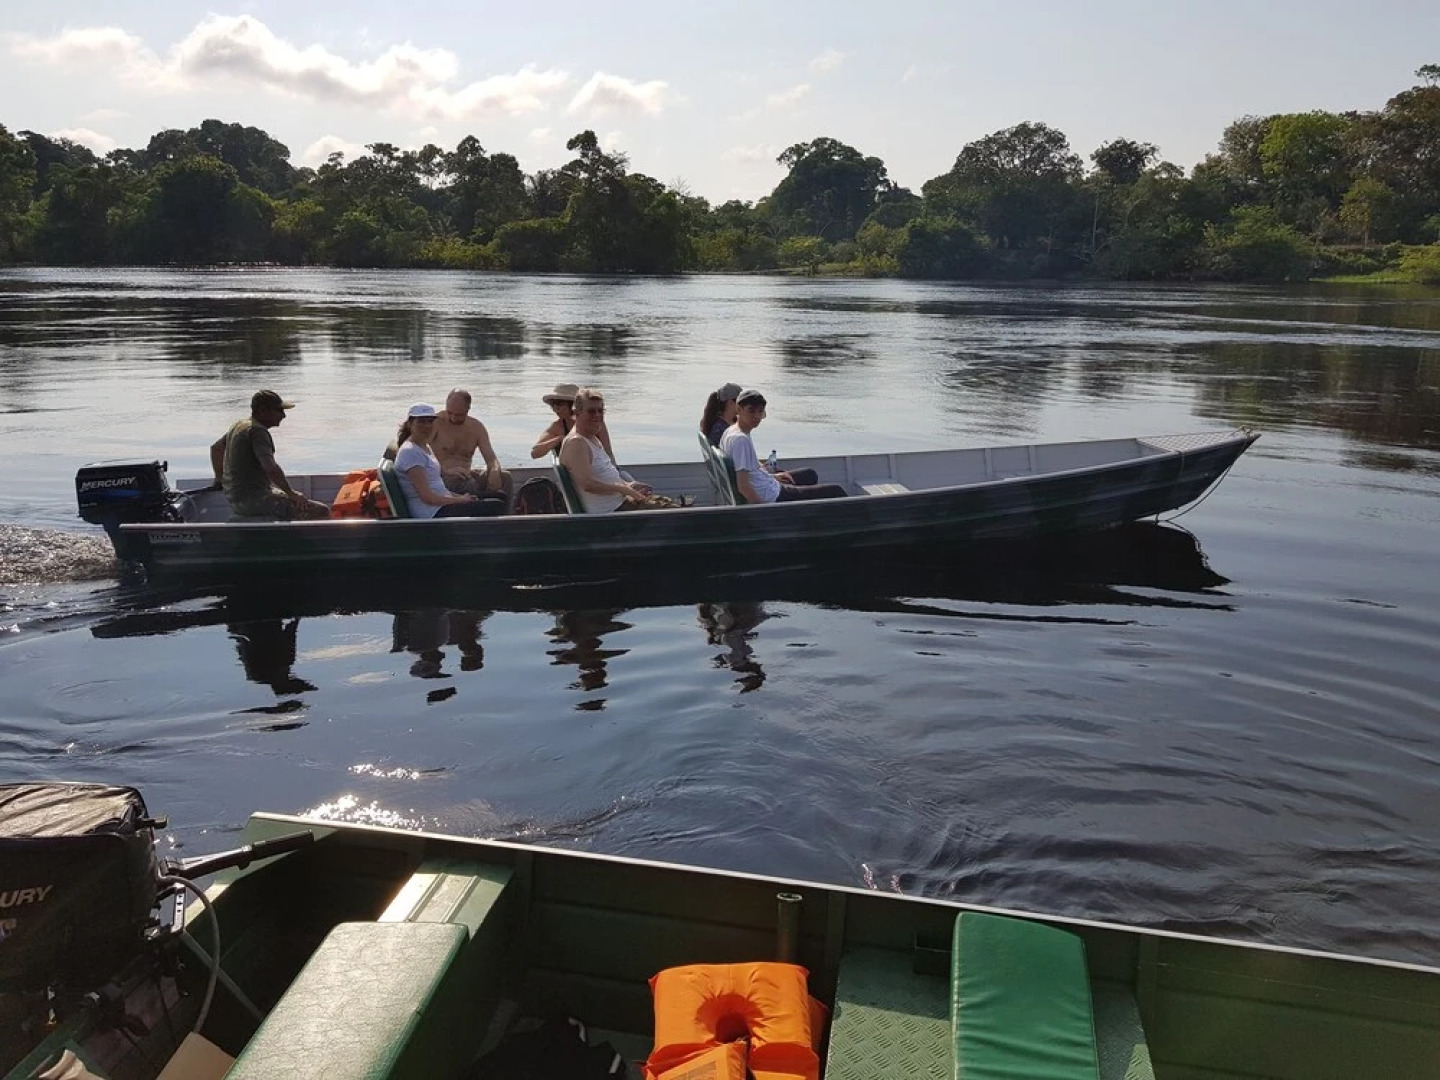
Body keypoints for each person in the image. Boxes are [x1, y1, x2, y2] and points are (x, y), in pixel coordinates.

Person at [209, 389, 330, 520]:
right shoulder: (258, 431)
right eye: (278, 410)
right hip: (254, 501)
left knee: (291, 500)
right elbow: (270, 468)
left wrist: (219, 479)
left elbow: (216, 449)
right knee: (321, 511)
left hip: (235, 498)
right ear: (262, 410)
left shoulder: (239, 426)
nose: (283, 415)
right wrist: (291, 493)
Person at [720, 390, 848, 503]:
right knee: (836, 491)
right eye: (751, 411)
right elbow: (744, 487)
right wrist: (760, 512)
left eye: (760, 411)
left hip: (768, 485)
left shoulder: (731, 431)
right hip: (773, 495)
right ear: (739, 409)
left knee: (809, 474)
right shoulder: (741, 440)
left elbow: (751, 472)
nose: (757, 416)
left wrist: (772, 477)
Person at [558, 388, 658, 513]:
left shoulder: (591, 438)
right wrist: (624, 490)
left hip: (622, 502)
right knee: (678, 512)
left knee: (676, 506)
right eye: (591, 411)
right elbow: (587, 484)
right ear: (577, 413)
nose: (597, 415)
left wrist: (628, 486)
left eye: (600, 411)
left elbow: (602, 476)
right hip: (613, 512)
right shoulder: (577, 443)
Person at [394, 403, 500, 518]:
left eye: (430, 421)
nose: (426, 426)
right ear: (410, 423)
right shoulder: (410, 452)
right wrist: (460, 500)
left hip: (440, 505)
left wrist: (460, 497)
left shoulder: (425, 446)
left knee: (499, 496)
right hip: (431, 513)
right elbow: (427, 497)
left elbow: (439, 488)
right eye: (421, 421)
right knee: (495, 505)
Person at [433, 388, 513, 503]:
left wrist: (494, 470)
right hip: (444, 476)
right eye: (450, 413)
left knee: (505, 477)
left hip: (467, 473)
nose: (453, 418)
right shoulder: (435, 423)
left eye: (459, 415)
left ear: (468, 408)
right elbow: (422, 455)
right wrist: (446, 470)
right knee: (469, 484)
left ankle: (503, 517)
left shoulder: (476, 427)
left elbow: (491, 458)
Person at [531, 382, 617, 461]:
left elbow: (608, 452)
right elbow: (535, 453)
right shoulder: (558, 426)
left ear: (572, 405)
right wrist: (560, 439)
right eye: (553, 404)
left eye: (559, 404)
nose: (555, 408)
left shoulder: (594, 422)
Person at [700, 382, 743, 446]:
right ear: (730, 403)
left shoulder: (730, 423)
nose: (744, 405)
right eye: (742, 401)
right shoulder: (720, 430)